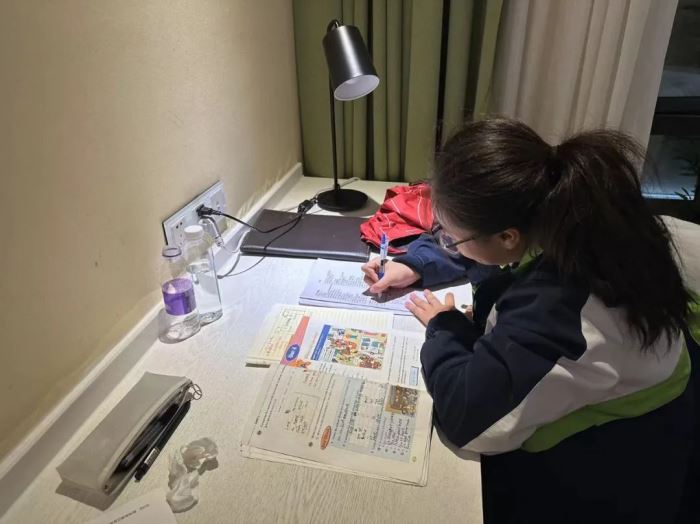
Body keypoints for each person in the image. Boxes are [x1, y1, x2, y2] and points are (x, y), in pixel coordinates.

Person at [361, 119, 699, 524]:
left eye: (450, 237)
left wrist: (445, 328)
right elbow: (478, 251)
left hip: (618, 466)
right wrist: (414, 264)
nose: (446, 242)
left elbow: (468, 420)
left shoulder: (558, 307)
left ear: (508, 237)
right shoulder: (569, 218)